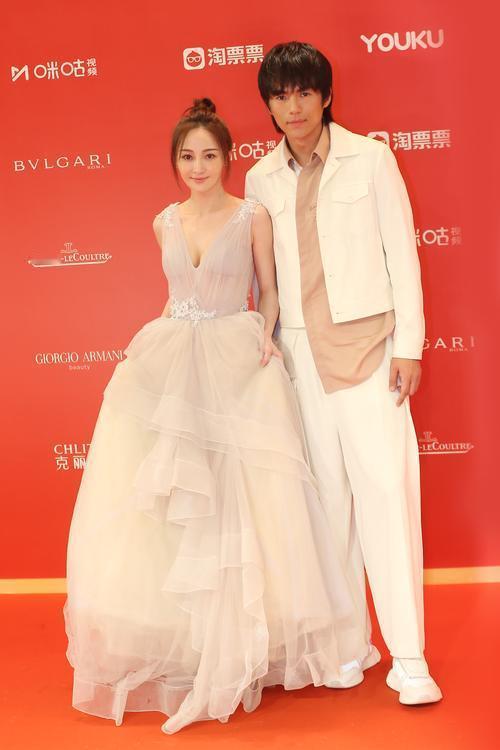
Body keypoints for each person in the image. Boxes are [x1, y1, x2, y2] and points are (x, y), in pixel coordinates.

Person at [63, 98, 374, 735]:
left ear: (228, 159)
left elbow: (270, 287)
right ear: (175, 162)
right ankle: (191, 645)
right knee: (177, 506)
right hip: (172, 362)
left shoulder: (251, 215)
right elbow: (174, 295)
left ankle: (248, 644)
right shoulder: (164, 222)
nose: (198, 167)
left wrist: (266, 333)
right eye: (187, 156)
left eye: (209, 155)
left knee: (244, 503)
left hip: (236, 359)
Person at [245, 42, 442, 705]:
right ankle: (346, 645)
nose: (293, 107)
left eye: (304, 92)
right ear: (269, 105)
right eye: (280, 96)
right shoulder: (260, 179)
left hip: (369, 352)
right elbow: (266, 280)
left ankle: (409, 657)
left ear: (326, 96)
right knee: (327, 508)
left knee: (387, 497)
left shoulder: (372, 159)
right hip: (301, 359)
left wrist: (409, 345)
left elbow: (402, 255)